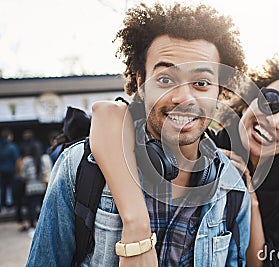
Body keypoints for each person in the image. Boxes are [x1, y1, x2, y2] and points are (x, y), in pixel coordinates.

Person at [26, 3, 250, 267]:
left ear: (219, 92)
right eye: (166, 79)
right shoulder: (79, 168)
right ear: (140, 82)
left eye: (201, 83)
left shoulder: (232, 186)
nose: (183, 98)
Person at [90, 56, 279, 266]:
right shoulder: (199, 143)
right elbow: (107, 113)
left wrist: (249, 199)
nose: (275, 121)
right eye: (271, 101)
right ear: (248, 100)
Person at [0, 128, 19, 212]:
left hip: (1, 170)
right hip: (11, 170)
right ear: (9, 137)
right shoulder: (12, 147)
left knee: (2, 189)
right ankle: (11, 205)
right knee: (12, 188)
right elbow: (17, 159)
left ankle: (2, 205)